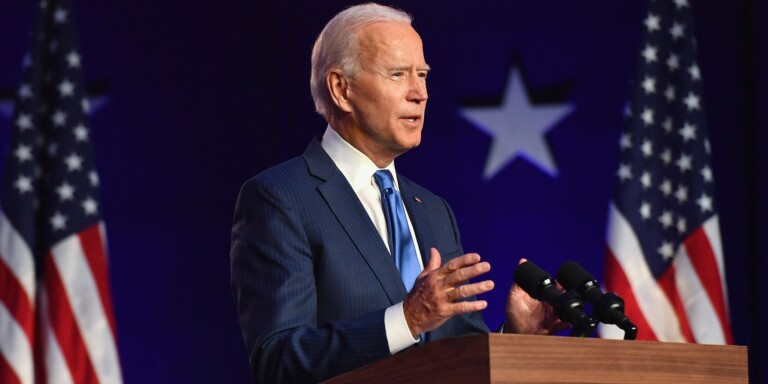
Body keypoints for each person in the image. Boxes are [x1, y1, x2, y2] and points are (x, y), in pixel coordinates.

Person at [230, 3, 562, 383]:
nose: (419, 93)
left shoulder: (435, 210)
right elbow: (279, 361)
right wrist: (406, 319)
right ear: (341, 89)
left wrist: (517, 336)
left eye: (422, 75)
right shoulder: (280, 198)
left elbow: (460, 356)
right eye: (398, 74)